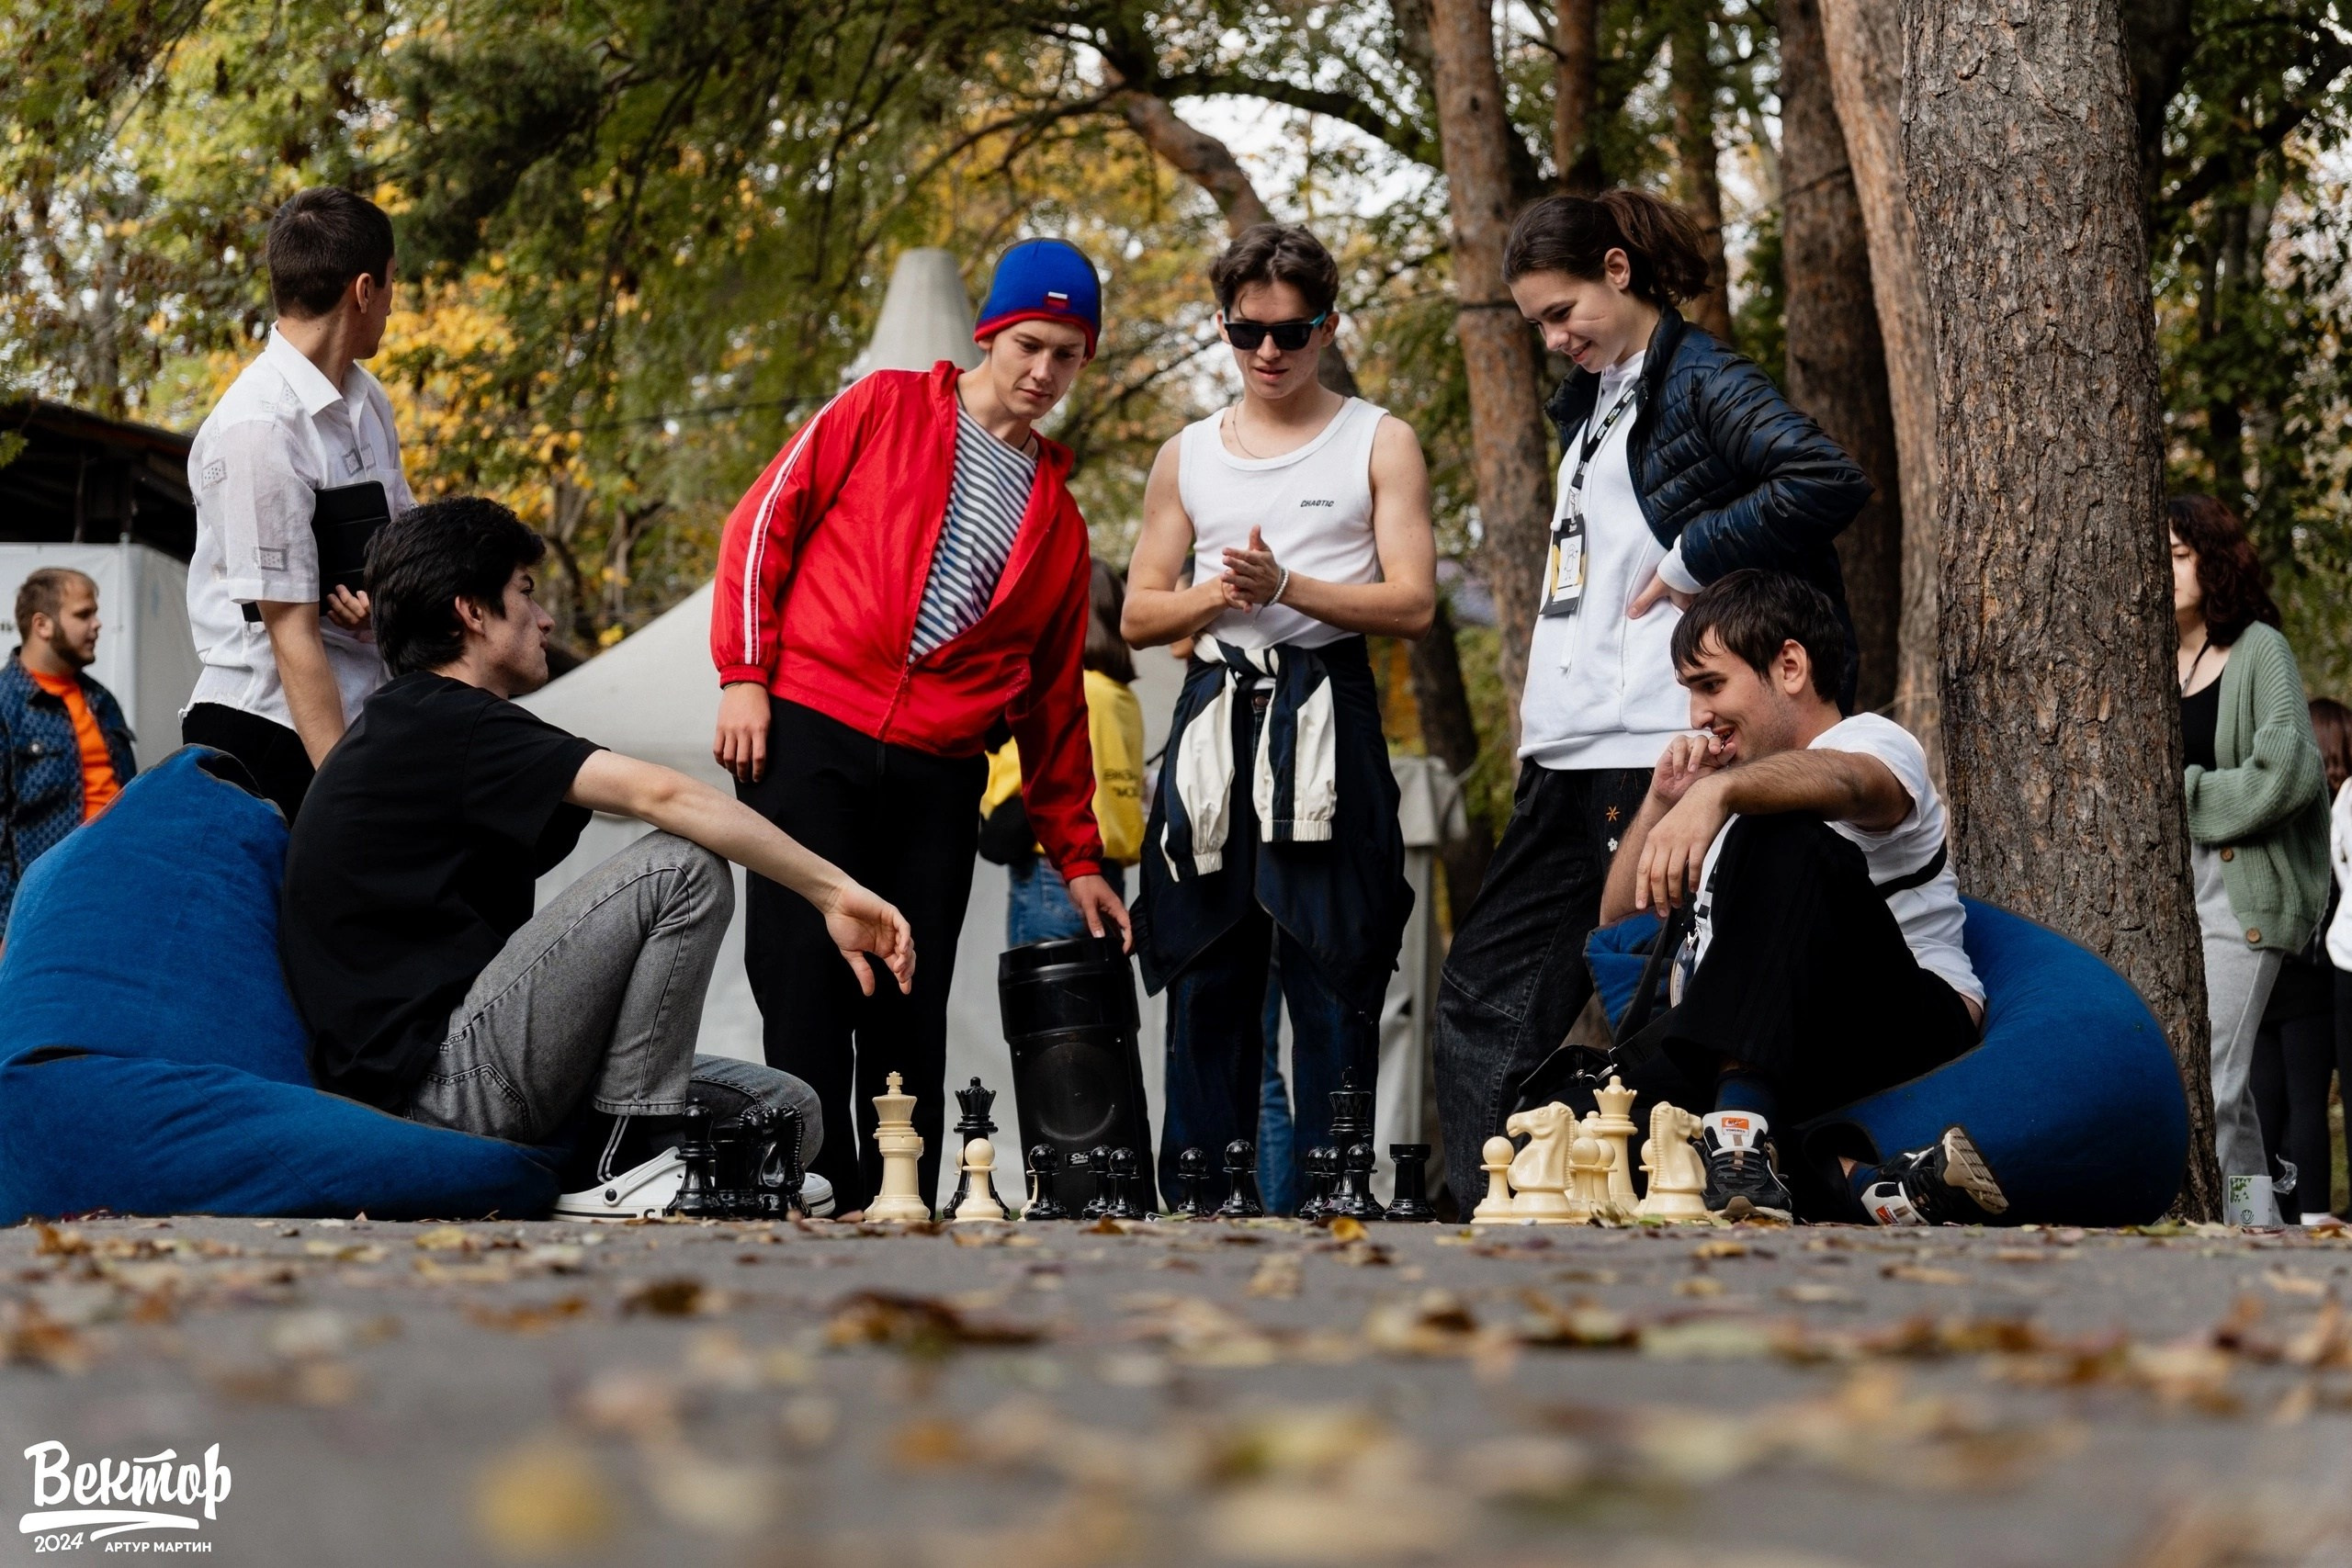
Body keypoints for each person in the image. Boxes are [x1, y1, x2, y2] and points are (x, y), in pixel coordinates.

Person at [280, 498, 914, 1220]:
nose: (544, 617)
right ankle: (627, 1153)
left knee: (788, 1109)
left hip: (475, 1068)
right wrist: (833, 893)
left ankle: (623, 1150)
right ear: (473, 612)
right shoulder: (440, 721)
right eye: (524, 590)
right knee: (682, 864)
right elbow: (666, 796)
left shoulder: (429, 735)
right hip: (441, 1087)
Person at [1432, 190, 1871, 1210]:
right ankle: (1482, 1209)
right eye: (1535, 323)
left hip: (1653, 747)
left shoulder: (1701, 375)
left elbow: (1824, 476)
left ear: (1618, 272)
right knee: (1483, 995)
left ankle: (1672, 1206)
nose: (1551, 339)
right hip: (1564, 750)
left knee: (1648, 997)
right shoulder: (1588, 402)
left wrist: (1691, 559)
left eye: (1560, 312)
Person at [710, 238, 1125, 1214]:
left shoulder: (1058, 524)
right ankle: (814, 1186)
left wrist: (1077, 857)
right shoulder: (883, 406)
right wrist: (744, 674)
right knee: (803, 978)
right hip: (807, 728)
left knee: (908, 993)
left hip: (938, 770)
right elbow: (763, 523)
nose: (1043, 371)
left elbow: (1055, 704)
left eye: (1067, 354)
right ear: (990, 331)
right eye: (1029, 344)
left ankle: (900, 1200)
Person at [1123, 222, 1435, 1208]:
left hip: (1327, 709)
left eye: (1292, 333)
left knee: (1332, 960)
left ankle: (1335, 1193)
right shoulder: (1186, 455)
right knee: (1207, 968)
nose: (1269, 351)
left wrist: (1288, 583)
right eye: (1248, 331)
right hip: (1216, 714)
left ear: (1327, 327)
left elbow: (1415, 603)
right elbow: (1136, 613)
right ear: (1221, 325)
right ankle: (1204, 1196)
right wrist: (1221, 596)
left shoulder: (1378, 439)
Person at [1596, 570, 1988, 1224]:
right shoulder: (1724, 792)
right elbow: (1618, 920)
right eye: (1690, 692)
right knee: (1567, 1120)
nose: (1697, 715)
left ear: (1790, 665)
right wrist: (1666, 797)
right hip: (1768, 1033)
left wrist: (1718, 794)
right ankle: (1858, 1183)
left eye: (1711, 684)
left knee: (1778, 829)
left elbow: (1852, 784)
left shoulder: (1870, 740)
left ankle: (1741, 1138)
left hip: (1899, 1017)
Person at [184, 187, 408, 822]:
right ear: (363, 290)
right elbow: (291, 636)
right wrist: (348, 804)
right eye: (392, 285)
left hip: (358, 716)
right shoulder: (259, 426)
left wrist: (381, 601)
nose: (394, 304)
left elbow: (404, 543)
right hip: (269, 732)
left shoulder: (370, 403)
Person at [2171, 494, 2331, 1224]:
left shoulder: (2259, 647)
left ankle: (2235, 1232)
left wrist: (2188, 797)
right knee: (2229, 1093)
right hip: (2173, 892)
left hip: (2246, 890)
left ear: (2215, 560)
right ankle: (2258, 1224)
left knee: (2210, 1079)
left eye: (2179, 555)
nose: (2164, 572)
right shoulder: (2153, 660)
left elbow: (2292, 768)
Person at [981, 558, 1146, 945]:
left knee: (1043, 998)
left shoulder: (1070, 693)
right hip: (1109, 872)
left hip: (1051, 872)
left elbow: (1014, 780)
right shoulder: (1124, 699)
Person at [2253, 697, 2351, 1224]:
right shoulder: (2336, 816)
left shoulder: (2277, 810)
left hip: (2261, 973)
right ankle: (2311, 1212)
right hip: (2312, 980)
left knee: (2255, 1104)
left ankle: (2250, 1212)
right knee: (2306, 1101)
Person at [1, 569, 137, 933]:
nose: (97, 625)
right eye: (83, 614)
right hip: (42, 910)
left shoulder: (101, 700)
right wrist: (5, 927)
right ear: (42, 625)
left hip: (115, 893)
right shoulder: (5, 705)